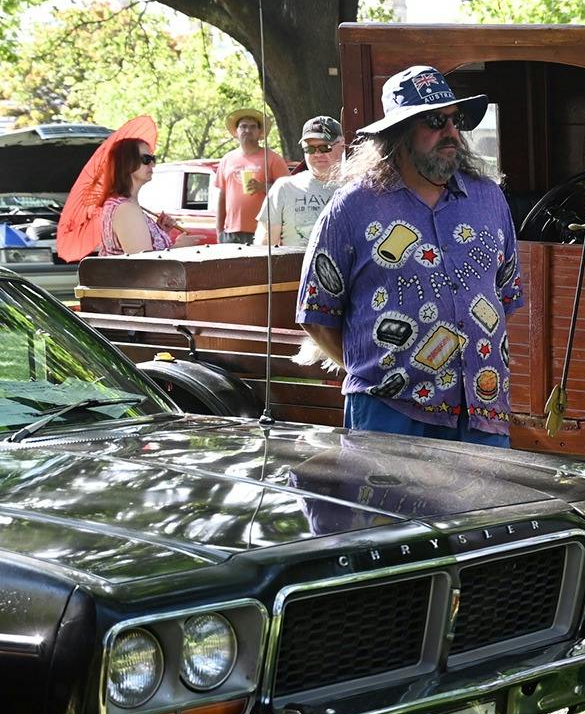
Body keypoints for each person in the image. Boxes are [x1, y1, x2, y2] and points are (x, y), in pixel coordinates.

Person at [297, 66, 521, 446]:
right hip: (391, 416)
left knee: (485, 509)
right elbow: (316, 313)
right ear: (397, 134)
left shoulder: (489, 199)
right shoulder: (353, 207)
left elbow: (506, 296)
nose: (450, 132)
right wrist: (377, 376)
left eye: (456, 120)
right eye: (435, 121)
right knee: (390, 509)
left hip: (482, 414)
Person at [54, 115, 192, 259]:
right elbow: (145, 265)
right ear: (127, 163)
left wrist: (159, 231)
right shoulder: (126, 209)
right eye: (146, 159)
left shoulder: (125, 205)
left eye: (153, 159)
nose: (153, 164)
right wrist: (179, 247)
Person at [256, 115, 343, 247]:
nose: (318, 154)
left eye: (325, 147)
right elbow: (264, 246)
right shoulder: (284, 188)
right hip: (294, 267)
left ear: (342, 145)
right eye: (310, 149)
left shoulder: (357, 188)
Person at [214, 108, 286, 244]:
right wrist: (219, 231)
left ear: (260, 133)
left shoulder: (272, 158)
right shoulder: (227, 159)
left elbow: (287, 193)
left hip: (264, 231)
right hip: (231, 233)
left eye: (253, 127)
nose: (248, 130)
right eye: (243, 126)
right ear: (236, 132)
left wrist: (263, 187)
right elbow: (222, 196)